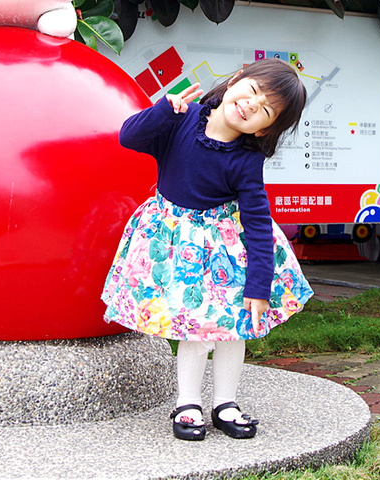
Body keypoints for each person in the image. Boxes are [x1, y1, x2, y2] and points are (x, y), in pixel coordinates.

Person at [101, 59, 314, 442]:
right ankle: (187, 403)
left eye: (265, 109)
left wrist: (258, 286)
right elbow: (128, 137)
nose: (252, 104)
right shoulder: (181, 119)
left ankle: (225, 403)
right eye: (252, 91)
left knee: (235, 329)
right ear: (235, 80)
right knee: (194, 330)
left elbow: (258, 223)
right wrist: (164, 110)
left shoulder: (248, 160)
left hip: (226, 252)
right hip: (174, 244)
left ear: (265, 127)